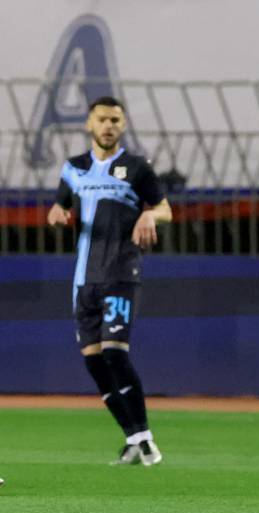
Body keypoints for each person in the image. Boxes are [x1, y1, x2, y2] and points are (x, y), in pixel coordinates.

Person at [46, 96, 172, 466]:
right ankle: (134, 438)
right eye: (102, 119)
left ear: (123, 125)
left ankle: (146, 439)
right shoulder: (74, 169)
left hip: (120, 272)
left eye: (116, 119)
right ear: (89, 123)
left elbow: (164, 207)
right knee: (94, 361)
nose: (109, 126)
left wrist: (151, 217)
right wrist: (57, 211)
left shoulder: (136, 168)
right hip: (84, 278)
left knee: (115, 352)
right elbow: (62, 205)